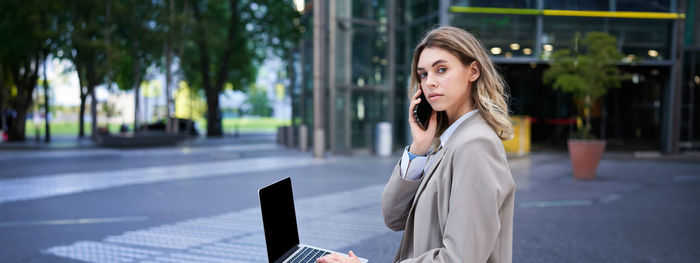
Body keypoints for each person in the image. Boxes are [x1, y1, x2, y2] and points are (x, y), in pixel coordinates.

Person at [317, 26, 515, 263]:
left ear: (473, 71)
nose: (430, 82)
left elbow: (461, 259)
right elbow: (393, 218)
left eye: (441, 70)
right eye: (423, 74)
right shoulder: (447, 141)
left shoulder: (475, 144)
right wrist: (418, 148)